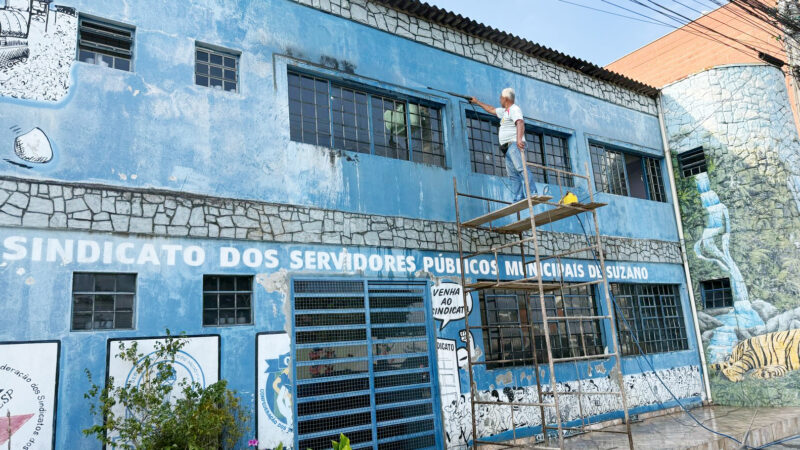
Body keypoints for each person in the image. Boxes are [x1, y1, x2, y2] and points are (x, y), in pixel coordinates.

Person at [470, 88, 537, 201]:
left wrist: (519, 140)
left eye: (501, 97)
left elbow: (520, 122)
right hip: (507, 149)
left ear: (505, 98)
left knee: (521, 168)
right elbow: (491, 109)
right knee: (512, 175)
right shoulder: (505, 112)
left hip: (514, 144)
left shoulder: (514, 109)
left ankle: (532, 193)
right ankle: (519, 197)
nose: (500, 99)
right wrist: (477, 102)